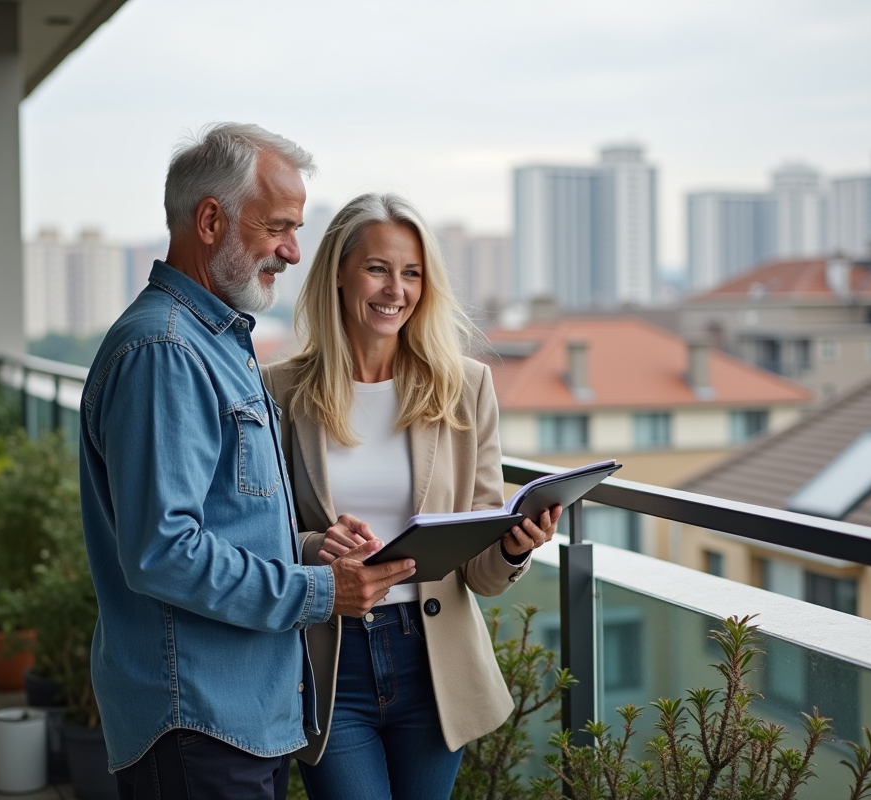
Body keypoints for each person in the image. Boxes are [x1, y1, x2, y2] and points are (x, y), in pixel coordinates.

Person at [79, 125, 417, 800]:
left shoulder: (219, 344)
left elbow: (222, 527)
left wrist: (313, 549)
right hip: (197, 723)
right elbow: (163, 551)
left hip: (240, 717)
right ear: (211, 220)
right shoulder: (165, 353)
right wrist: (322, 594)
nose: (293, 250)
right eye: (278, 227)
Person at [262, 193, 561, 799]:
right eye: (377, 268)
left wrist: (512, 547)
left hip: (433, 665)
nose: (395, 289)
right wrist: (317, 546)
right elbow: (254, 533)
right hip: (331, 658)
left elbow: (480, 571)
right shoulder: (281, 389)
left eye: (412, 272)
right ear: (340, 273)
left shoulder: (465, 388)